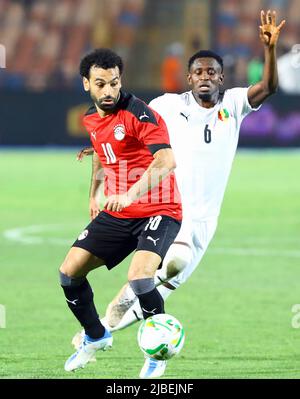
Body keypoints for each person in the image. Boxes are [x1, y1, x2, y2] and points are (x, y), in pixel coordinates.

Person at [73, 10, 285, 378]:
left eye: (212, 72)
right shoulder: (168, 106)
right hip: (166, 208)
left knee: (158, 283)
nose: (206, 77)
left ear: (222, 78)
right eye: (199, 72)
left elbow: (267, 88)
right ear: (189, 78)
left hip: (204, 219)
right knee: (168, 267)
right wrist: (103, 145)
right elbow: (127, 122)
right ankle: (149, 346)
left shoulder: (233, 105)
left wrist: (269, 50)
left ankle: (108, 322)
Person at [59, 48, 182, 375]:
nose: (109, 91)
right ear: (87, 84)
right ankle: (96, 336)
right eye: (101, 84)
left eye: (114, 83)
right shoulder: (91, 117)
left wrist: (129, 194)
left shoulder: (140, 114)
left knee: (139, 278)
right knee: (69, 274)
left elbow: (166, 161)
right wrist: (96, 192)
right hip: (120, 212)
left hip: (160, 208)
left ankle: (158, 352)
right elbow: (102, 153)